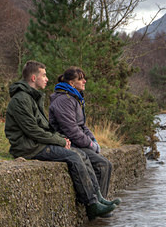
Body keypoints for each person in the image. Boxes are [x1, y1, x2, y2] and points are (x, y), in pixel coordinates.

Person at [4, 60, 117, 219]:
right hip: (28, 147)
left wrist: (61, 138)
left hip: (37, 143)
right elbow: (33, 130)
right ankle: (91, 204)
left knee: (82, 155)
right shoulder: (21, 99)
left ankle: (97, 199)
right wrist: (60, 141)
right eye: (44, 75)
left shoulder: (32, 97)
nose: (47, 78)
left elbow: (45, 127)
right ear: (34, 78)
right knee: (75, 156)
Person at [49, 66, 120, 206]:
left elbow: (82, 125)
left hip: (76, 141)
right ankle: (95, 206)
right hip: (69, 142)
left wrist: (93, 139)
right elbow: (71, 130)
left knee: (106, 164)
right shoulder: (64, 100)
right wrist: (89, 144)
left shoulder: (74, 98)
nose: (85, 81)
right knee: (103, 165)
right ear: (71, 83)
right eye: (80, 79)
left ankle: (101, 202)